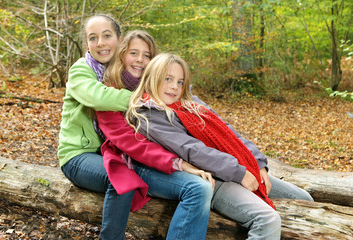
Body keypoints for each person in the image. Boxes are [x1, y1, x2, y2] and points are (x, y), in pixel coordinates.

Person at [126, 53, 314, 240]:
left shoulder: (191, 103)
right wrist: (239, 173)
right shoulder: (149, 114)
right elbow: (193, 150)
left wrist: (258, 163)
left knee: (304, 199)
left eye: (180, 82)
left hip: (235, 166)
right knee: (267, 219)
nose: (175, 86)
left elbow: (229, 132)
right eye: (168, 79)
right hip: (213, 178)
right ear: (153, 77)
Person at [57, 14, 213, 239]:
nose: (100, 42)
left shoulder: (129, 73)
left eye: (107, 35)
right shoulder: (82, 70)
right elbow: (98, 97)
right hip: (79, 155)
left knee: (187, 185)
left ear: (119, 41)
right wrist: (143, 99)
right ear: (87, 44)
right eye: (93, 38)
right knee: (123, 179)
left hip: (113, 154)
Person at [95, 30, 214, 240]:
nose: (140, 60)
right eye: (134, 53)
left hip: (169, 160)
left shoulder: (162, 88)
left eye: (147, 55)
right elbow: (129, 143)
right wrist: (182, 164)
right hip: (136, 163)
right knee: (198, 188)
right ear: (122, 54)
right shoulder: (109, 91)